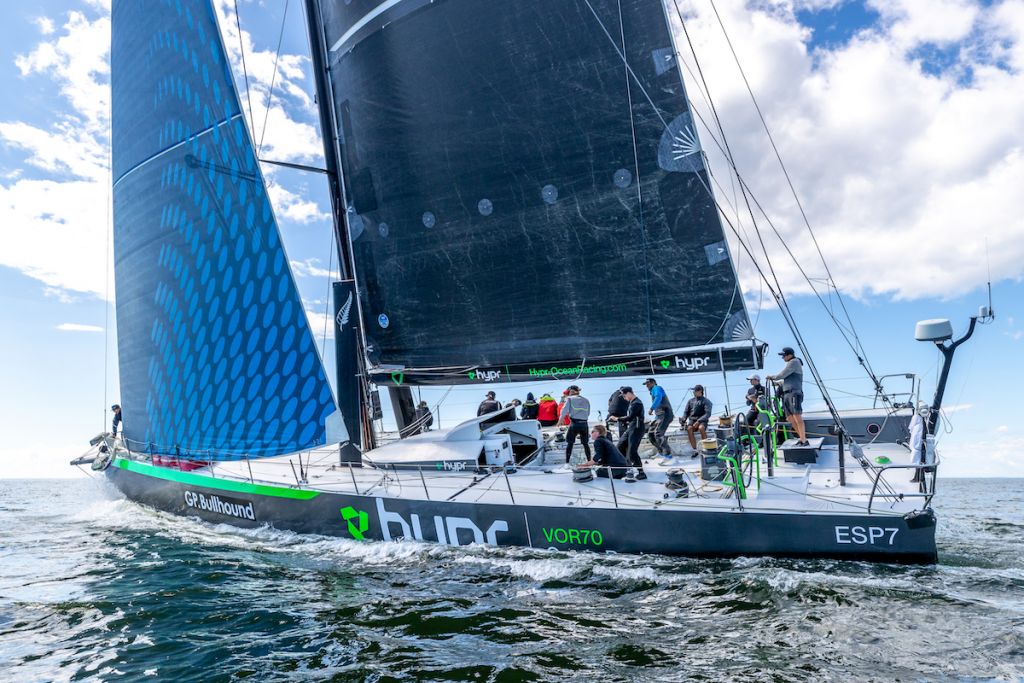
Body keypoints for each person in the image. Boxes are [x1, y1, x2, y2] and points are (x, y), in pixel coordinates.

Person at [766, 347, 808, 446]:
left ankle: (803, 440)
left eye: (784, 355)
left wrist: (773, 377)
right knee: (790, 418)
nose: (783, 358)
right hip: (787, 393)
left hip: (794, 392)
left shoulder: (794, 362)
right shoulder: (791, 364)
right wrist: (777, 383)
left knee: (797, 416)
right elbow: (786, 379)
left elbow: (783, 374)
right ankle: (802, 439)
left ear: (789, 355)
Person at [610, 387, 647, 480]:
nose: (623, 397)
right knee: (620, 446)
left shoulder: (637, 403)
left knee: (632, 451)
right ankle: (625, 468)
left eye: (624, 395)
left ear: (629, 393)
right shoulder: (632, 403)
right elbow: (630, 418)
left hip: (637, 428)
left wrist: (617, 418)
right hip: (631, 427)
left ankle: (641, 472)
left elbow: (630, 417)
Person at [560, 385, 592, 464]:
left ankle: (567, 463)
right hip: (584, 424)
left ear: (572, 391)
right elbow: (588, 413)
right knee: (585, 444)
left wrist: (560, 419)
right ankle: (589, 462)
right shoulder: (586, 400)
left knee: (570, 443)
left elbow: (564, 411)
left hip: (574, 423)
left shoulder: (570, 399)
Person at [644, 378, 674, 456]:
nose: (647, 386)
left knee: (658, 433)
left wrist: (651, 408)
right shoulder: (652, 391)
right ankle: (661, 452)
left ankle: (668, 454)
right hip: (659, 416)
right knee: (650, 434)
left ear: (653, 383)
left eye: (648, 383)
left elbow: (658, 397)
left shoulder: (657, 388)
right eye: (646, 384)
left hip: (665, 414)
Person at [680, 385, 712, 452]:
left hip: (702, 420)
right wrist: (683, 419)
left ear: (700, 391)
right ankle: (695, 450)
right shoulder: (690, 401)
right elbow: (686, 412)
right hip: (692, 420)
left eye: (695, 391)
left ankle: (705, 448)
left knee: (701, 428)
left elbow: (708, 414)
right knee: (689, 429)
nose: (694, 392)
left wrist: (699, 421)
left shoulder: (706, 401)